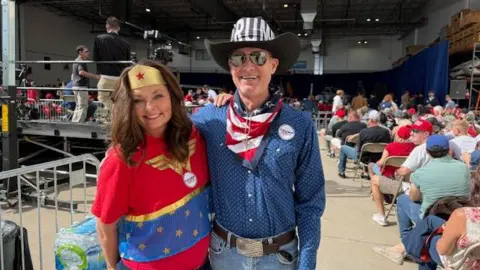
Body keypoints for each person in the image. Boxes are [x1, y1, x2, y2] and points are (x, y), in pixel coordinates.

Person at [196, 17, 325, 269]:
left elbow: (310, 203)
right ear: (229, 66)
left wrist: (307, 262)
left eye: (258, 57)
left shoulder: (299, 125)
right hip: (224, 256)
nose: (248, 66)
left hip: (279, 258)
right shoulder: (209, 119)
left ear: (274, 65)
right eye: (238, 58)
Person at [92, 61, 211, 270]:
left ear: (173, 97)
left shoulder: (195, 138)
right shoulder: (121, 160)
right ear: (127, 106)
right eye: (138, 100)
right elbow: (106, 227)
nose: (150, 107)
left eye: (158, 95)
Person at [93, 16, 131, 121]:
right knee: (119, 99)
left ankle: (115, 115)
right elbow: (128, 63)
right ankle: (118, 118)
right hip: (120, 77)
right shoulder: (126, 43)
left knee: (103, 98)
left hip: (106, 76)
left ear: (107, 26)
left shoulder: (99, 38)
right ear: (118, 28)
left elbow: (95, 58)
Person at [71, 45, 99, 123]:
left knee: (79, 106)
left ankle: (74, 122)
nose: (88, 53)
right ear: (80, 52)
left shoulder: (76, 60)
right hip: (81, 86)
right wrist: (95, 76)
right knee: (83, 106)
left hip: (76, 86)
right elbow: (81, 72)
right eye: (86, 51)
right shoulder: (80, 61)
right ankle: (79, 124)